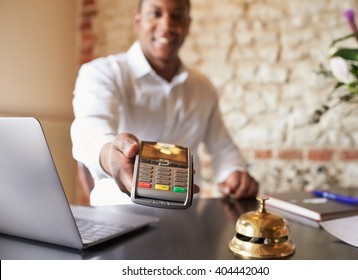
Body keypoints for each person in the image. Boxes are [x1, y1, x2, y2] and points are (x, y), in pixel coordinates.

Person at [70, 0, 259, 205]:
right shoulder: (102, 73)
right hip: (118, 214)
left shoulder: (203, 87)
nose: (167, 26)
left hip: (187, 217)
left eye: (177, 16)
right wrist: (109, 154)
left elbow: (222, 147)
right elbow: (90, 132)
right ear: (138, 20)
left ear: (187, 25)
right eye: (155, 14)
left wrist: (234, 173)